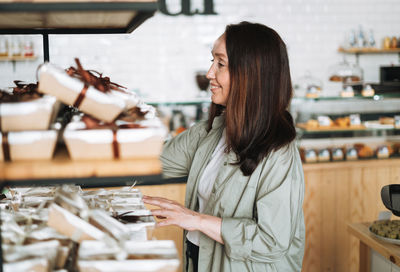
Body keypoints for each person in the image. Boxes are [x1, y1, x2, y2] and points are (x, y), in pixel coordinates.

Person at [143, 21, 305, 272]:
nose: (210, 74)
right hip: (199, 260)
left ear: (250, 74)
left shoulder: (279, 152)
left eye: (220, 64)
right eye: (212, 61)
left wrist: (196, 219)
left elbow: (271, 241)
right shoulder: (212, 131)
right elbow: (155, 160)